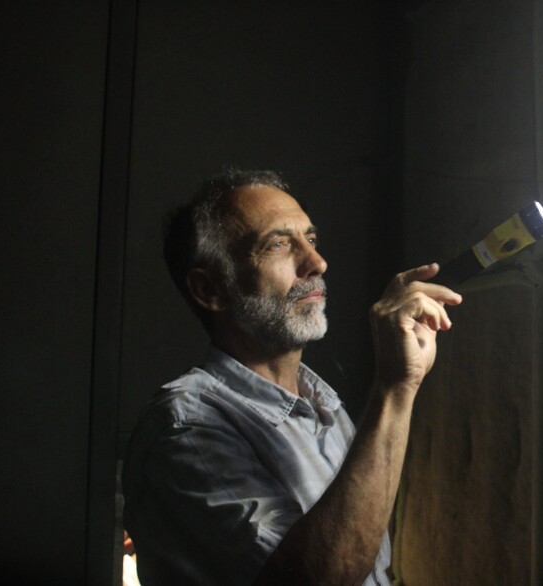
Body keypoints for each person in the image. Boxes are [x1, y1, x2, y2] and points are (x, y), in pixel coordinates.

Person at [122, 169, 462, 585]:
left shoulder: (322, 403)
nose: (317, 263)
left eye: (311, 239)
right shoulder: (184, 429)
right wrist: (396, 388)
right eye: (278, 244)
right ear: (210, 289)